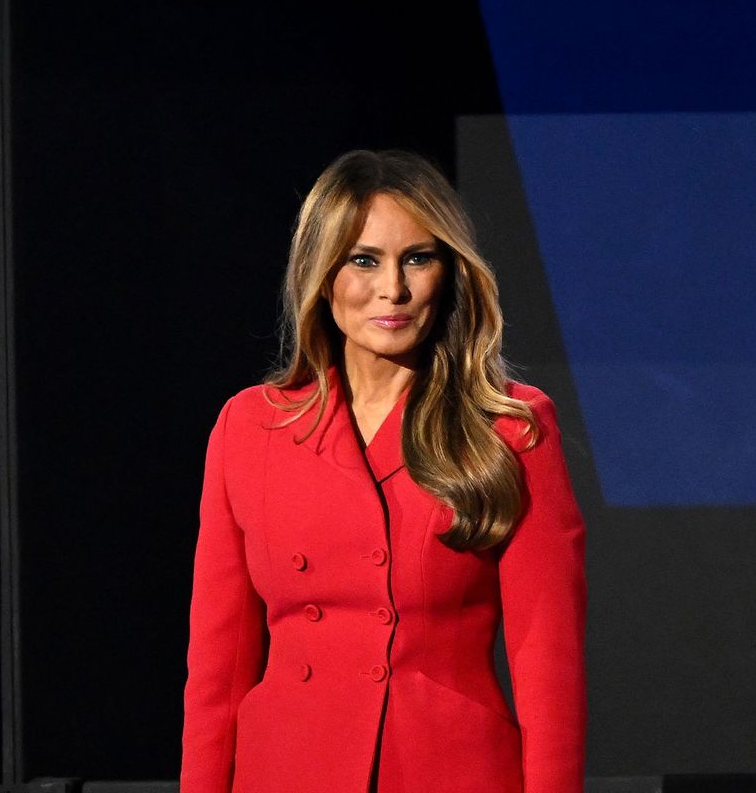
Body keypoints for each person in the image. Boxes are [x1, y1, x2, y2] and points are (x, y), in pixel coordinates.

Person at [179, 149, 587, 793]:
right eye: (363, 260)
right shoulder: (250, 427)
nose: (392, 289)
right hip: (286, 769)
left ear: (449, 272)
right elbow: (217, 668)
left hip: (446, 770)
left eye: (418, 258)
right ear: (321, 273)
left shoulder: (511, 426)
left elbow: (547, 659)